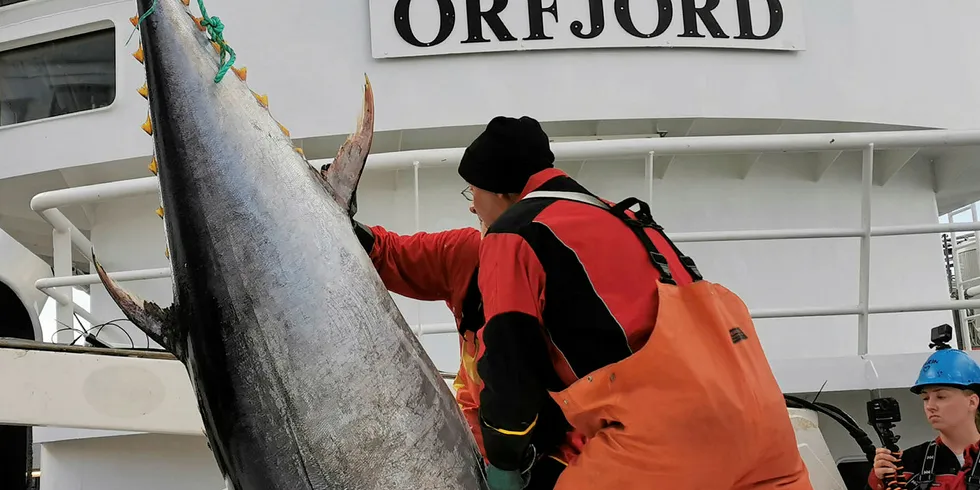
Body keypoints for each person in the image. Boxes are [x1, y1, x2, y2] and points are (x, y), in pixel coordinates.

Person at [458, 115, 812, 490]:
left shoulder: (512, 236)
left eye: (471, 192)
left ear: (500, 191)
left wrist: (504, 459)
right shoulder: (623, 215)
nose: (472, 207)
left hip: (670, 438)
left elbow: (509, 360)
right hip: (766, 426)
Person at [344, 201, 585, 489]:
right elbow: (391, 254)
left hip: (562, 452)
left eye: (485, 196)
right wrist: (346, 225)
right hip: (474, 444)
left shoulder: (570, 276)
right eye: (472, 192)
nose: (473, 207)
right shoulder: (467, 253)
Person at [869, 348, 980, 490]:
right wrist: (877, 482)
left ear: (972, 402)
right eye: (925, 398)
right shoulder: (905, 463)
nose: (930, 406)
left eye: (941, 396)